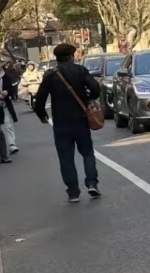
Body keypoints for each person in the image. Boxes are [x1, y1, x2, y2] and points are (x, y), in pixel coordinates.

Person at [34, 43, 102, 203]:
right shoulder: (80, 71)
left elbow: (40, 98)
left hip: (60, 122)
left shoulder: (50, 74)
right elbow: (95, 88)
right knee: (87, 153)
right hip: (80, 119)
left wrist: (42, 115)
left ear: (57, 58)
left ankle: (73, 192)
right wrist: (87, 98)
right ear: (71, 56)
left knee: (66, 157)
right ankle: (92, 183)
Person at [0, 57, 18, 154]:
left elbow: (12, 88)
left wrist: (7, 92)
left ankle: (12, 144)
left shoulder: (6, 76)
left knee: (9, 123)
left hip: (6, 103)